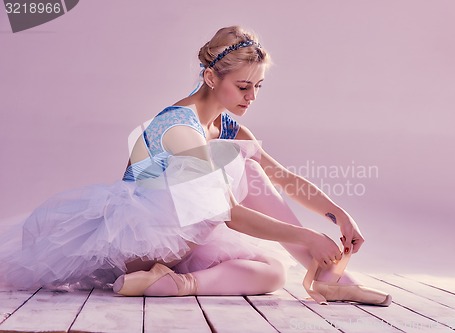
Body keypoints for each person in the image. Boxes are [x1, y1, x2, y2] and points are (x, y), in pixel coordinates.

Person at [0, 26, 391, 306]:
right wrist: (307, 238)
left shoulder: (226, 122)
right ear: (209, 76)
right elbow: (228, 213)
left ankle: (170, 285)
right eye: (243, 87)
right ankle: (330, 279)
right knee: (245, 166)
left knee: (272, 271)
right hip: (133, 240)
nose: (252, 96)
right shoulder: (177, 127)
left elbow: (284, 176)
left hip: (178, 240)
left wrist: (338, 213)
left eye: (257, 87)